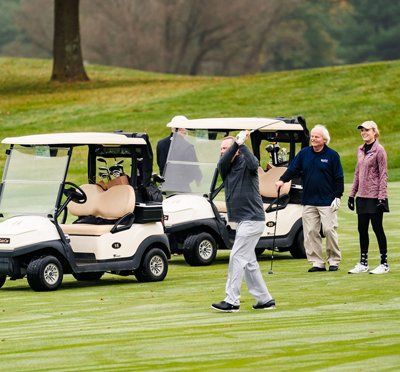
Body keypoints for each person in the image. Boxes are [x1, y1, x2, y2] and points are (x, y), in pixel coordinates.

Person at [211, 131, 275, 313]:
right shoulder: (225, 166)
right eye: (222, 148)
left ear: (237, 150)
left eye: (226, 148)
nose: (223, 151)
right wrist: (234, 145)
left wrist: (242, 144)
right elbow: (223, 162)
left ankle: (232, 301)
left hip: (252, 219)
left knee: (236, 257)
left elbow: (255, 164)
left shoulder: (246, 162)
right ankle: (265, 300)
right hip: (242, 221)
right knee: (249, 262)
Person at [275, 125, 344, 272]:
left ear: (324, 140)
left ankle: (333, 261)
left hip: (327, 200)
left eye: (316, 137)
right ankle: (317, 262)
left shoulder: (332, 155)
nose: (313, 138)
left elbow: (339, 177)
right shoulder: (304, 153)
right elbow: (293, 169)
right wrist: (282, 180)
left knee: (329, 230)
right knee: (310, 231)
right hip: (308, 200)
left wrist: (338, 196)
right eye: (312, 136)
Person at [348, 121, 389, 274]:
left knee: (377, 229)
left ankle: (384, 263)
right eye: (362, 130)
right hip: (362, 196)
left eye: (367, 130)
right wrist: (352, 195)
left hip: (375, 196)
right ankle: (363, 263)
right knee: (362, 229)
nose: (364, 132)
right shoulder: (360, 149)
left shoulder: (379, 150)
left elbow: (384, 174)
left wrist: (382, 197)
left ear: (374, 132)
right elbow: (357, 173)